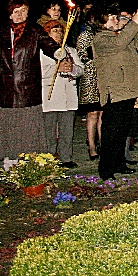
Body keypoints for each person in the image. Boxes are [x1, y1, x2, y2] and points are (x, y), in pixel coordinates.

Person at [0, 0, 61, 161]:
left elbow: (47, 43)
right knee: (8, 136)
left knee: (27, 135)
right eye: (16, 11)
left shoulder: (34, 30)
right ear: (10, 14)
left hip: (27, 94)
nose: (20, 15)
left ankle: (28, 168)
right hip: (5, 95)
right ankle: (9, 168)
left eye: (23, 11)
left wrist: (56, 52)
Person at [92, 6, 138, 180]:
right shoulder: (101, 39)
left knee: (122, 131)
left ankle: (119, 163)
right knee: (111, 132)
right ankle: (106, 169)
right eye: (111, 18)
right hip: (114, 91)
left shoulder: (123, 34)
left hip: (128, 89)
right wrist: (133, 24)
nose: (116, 20)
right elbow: (118, 44)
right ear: (102, 22)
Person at [40, 21, 82, 168]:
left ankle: (66, 157)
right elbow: (38, 73)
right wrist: (57, 68)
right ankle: (49, 159)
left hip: (68, 97)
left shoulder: (70, 50)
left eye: (60, 31)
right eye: (54, 31)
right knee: (49, 132)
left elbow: (81, 69)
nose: (58, 34)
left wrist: (72, 69)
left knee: (67, 131)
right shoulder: (41, 52)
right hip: (50, 98)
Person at [75, 9, 102, 161]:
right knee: (92, 114)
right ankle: (91, 146)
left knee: (102, 113)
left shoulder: (102, 33)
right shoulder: (86, 34)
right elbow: (82, 54)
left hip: (103, 77)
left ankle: (102, 143)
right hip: (90, 77)